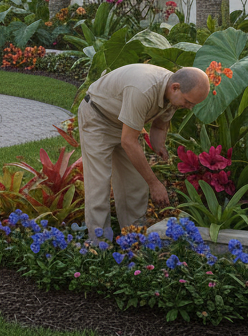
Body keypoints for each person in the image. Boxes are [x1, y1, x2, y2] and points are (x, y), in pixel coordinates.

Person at [79, 64, 210, 237]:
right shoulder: (143, 89)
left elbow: (160, 125)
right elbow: (128, 141)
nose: (189, 107)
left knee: (135, 183)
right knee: (99, 184)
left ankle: (134, 238)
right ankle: (99, 246)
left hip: (125, 123)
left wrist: (159, 146)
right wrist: (154, 183)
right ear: (175, 87)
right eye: (188, 102)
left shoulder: (172, 91)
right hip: (98, 119)